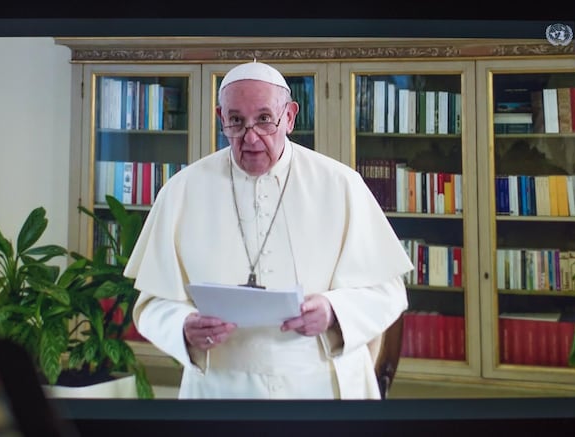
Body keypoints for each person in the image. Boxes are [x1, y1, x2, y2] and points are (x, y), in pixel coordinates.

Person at [124, 60, 412, 399]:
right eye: (236, 121)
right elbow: (153, 303)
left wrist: (334, 311)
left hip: (321, 384)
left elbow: (389, 293)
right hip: (222, 387)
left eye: (264, 119)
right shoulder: (182, 190)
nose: (250, 136)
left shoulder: (340, 184)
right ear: (221, 119)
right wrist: (183, 327)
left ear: (289, 116)